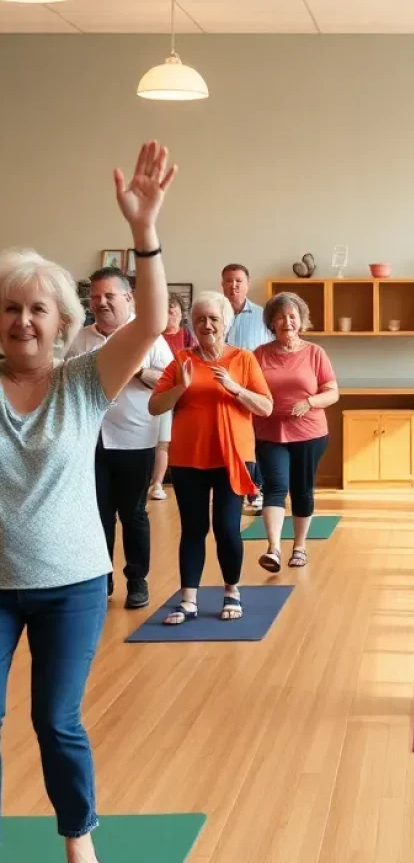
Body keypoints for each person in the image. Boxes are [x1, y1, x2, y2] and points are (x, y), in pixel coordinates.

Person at [0, 140, 175, 863]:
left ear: (62, 321)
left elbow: (151, 323)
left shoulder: (83, 383)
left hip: (71, 581)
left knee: (56, 719)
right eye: (9, 309)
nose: (22, 321)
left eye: (37, 308)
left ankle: (78, 836)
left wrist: (144, 233)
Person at [149, 291, 273, 624]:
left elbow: (266, 406)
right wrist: (180, 388)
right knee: (193, 528)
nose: (207, 325)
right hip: (189, 457)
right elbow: (155, 406)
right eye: (200, 319)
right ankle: (188, 599)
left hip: (233, 455)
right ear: (193, 323)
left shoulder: (243, 359)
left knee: (227, 528)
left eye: (214, 319)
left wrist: (236, 389)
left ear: (225, 323)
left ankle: (232, 591)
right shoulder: (181, 361)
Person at [67, 267, 173, 609]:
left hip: (134, 438)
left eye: (109, 296)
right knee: (98, 513)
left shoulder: (151, 339)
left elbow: (172, 384)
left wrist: (137, 369)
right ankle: (103, 578)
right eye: (95, 297)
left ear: (128, 299)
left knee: (133, 514)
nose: (101, 303)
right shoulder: (80, 339)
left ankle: (137, 580)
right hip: (90, 440)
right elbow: (66, 385)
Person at [254, 293, 338, 572]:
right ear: (271, 322)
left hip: (310, 433)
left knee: (302, 490)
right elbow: (249, 391)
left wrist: (310, 402)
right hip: (269, 433)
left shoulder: (315, 353)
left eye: (292, 316)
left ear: (301, 321)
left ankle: (299, 546)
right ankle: (274, 548)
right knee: (275, 487)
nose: (287, 321)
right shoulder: (260, 354)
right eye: (280, 316)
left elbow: (332, 393)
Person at [222, 263, 272, 513]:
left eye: (238, 281)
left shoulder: (263, 316)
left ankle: (255, 490)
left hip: (252, 390)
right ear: (222, 285)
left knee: (254, 440)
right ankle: (232, 489)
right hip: (221, 390)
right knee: (228, 440)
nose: (233, 285)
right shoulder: (215, 314)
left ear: (247, 284)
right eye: (229, 281)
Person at [149, 292, 194, 501]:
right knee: (161, 439)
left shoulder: (186, 335)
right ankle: (156, 483)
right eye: (164, 309)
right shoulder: (153, 336)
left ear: (180, 312)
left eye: (172, 309)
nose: (168, 314)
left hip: (185, 392)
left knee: (178, 438)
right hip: (159, 391)